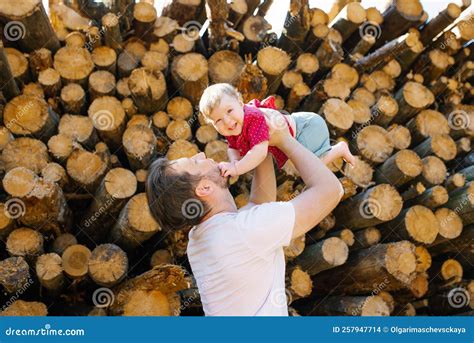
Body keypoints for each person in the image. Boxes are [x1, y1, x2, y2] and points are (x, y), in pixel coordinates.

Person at [145, 118, 344, 316]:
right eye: (196, 162)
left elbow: (259, 206)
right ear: (204, 187)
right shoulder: (242, 232)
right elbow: (331, 190)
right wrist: (283, 139)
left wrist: (259, 144)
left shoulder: (198, 241)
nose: (201, 153)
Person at [198, 83, 356, 177]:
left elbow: (259, 152)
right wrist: (234, 162)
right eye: (218, 120)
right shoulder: (232, 128)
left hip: (306, 128)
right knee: (302, 166)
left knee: (307, 167)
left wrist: (237, 168)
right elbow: (232, 146)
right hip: (298, 131)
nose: (227, 121)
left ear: (240, 103)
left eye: (229, 111)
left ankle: (339, 149)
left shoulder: (254, 118)